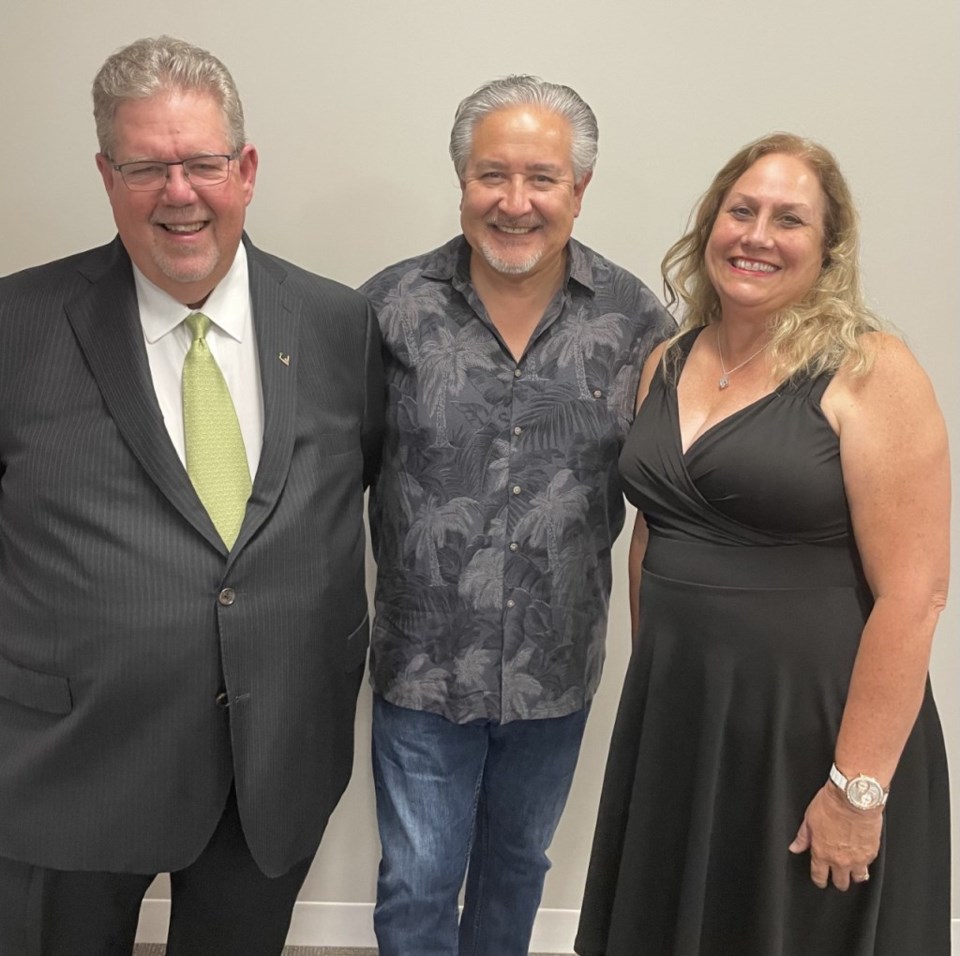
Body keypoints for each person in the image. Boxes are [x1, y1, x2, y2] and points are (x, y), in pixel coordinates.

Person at [0, 36, 383, 956]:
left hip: (274, 760)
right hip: (70, 766)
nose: (180, 192)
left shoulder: (340, 324)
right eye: (146, 166)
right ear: (106, 174)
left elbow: (354, 485)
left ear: (244, 170)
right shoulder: (16, 327)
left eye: (203, 163)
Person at [575, 132, 951, 955]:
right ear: (710, 222)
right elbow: (655, 531)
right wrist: (663, 686)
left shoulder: (870, 371)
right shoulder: (667, 361)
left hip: (812, 729)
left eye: (789, 220)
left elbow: (914, 594)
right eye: (740, 210)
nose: (756, 235)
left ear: (828, 249)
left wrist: (858, 789)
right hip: (683, 713)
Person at [360, 75, 675, 956]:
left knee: (517, 866)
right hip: (423, 667)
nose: (515, 202)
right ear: (461, 181)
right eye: (491, 175)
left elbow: (673, 492)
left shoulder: (637, 322)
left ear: (579, 189)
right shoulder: (387, 310)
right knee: (416, 882)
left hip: (557, 666)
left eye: (541, 178)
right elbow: (328, 477)